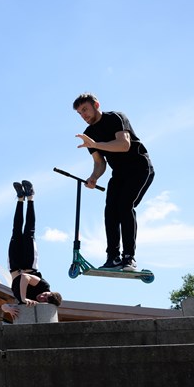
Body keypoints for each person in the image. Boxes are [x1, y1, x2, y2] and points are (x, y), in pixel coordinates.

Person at [73, 92, 154, 272]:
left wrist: (95, 144)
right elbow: (99, 163)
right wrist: (94, 177)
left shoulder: (116, 117)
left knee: (125, 206)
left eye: (85, 109)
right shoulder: (89, 134)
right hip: (119, 174)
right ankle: (113, 257)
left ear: (96, 105)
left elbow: (123, 145)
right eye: (79, 113)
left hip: (139, 167)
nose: (83, 115)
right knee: (110, 211)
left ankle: (129, 258)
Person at [0, 180, 63, 320]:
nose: (42, 296)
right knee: (29, 231)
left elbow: (3, 306)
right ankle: (30, 198)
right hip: (28, 264)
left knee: (16, 231)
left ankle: (20, 199)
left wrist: (8, 308)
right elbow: (25, 277)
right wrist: (23, 299)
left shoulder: (30, 301)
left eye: (43, 299)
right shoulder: (43, 286)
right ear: (49, 292)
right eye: (46, 295)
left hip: (15, 266)